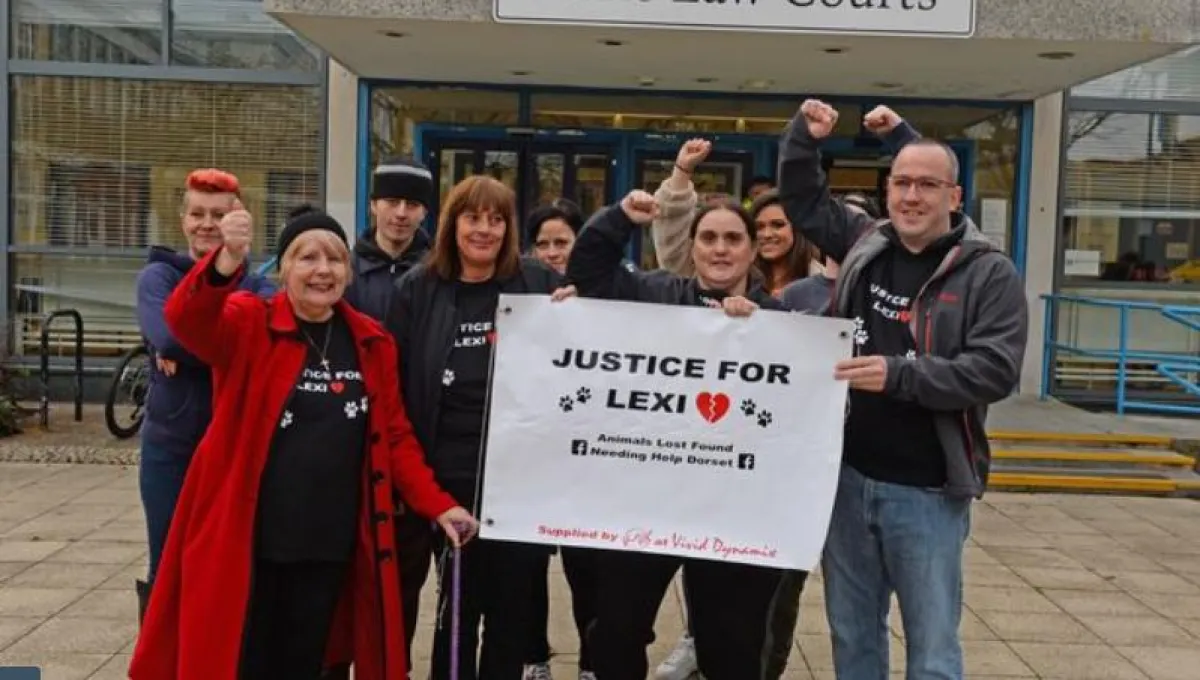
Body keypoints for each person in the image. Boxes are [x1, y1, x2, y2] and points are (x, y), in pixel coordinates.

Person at [128, 203, 478, 680]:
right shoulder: (249, 321)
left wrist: (439, 505)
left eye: (334, 259)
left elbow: (395, 438)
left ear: (348, 273)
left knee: (306, 662)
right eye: (307, 257)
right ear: (284, 269)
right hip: (250, 541)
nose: (322, 270)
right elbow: (187, 322)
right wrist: (226, 261)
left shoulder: (371, 342)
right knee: (241, 661)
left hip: (328, 542)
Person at [779, 99, 1028, 680]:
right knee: (852, 636)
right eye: (901, 183)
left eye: (928, 186)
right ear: (886, 190)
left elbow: (995, 370)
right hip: (847, 480)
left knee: (932, 647)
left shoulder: (989, 272)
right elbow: (804, 201)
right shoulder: (865, 242)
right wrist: (803, 138)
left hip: (929, 490)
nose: (912, 196)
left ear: (955, 197)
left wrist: (899, 375)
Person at [566, 189, 785, 680]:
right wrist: (619, 218)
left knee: (731, 646)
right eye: (708, 238)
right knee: (616, 631)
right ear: (692, 246)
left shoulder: (779, 321)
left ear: (753, 249)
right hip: (649, 502)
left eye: (733, 238)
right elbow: (588, 272)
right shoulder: (654, 295)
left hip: (733, 511)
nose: (720, 249)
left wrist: (761, 334)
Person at [387, 175, 570, 680]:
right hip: (449, 483)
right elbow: (395, 387)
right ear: (453, 224)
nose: (484, 229)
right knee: (457, 611)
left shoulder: (538, 283)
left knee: (513, 613)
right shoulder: (417, 290)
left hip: (521, 482)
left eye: (496, 219)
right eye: (472, 217)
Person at [133, 168, 274, 624]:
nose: (207, 224)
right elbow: (168, 337)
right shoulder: (157, 277)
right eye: (198, 214)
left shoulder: (258, 286)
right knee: (167, 565)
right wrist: (214, 345)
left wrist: (187, 341)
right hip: (171, 450)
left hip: (235, 452)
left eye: (219, 214)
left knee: (232, 569)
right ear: (183, 220)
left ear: (239, 219)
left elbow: (259, 340)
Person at [338, 155, 437, 680]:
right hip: (347, 445)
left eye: (412, 204)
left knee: (400, 586)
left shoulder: (440, 272)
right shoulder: (344, 270)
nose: (401, 213)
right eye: (392, 201)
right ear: (373, 204)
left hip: (410, 448)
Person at [521, 199, 600, 680]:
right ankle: (534, 658)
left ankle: (592, 662)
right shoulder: (520, 296)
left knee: (587, 567)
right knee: (527, 569)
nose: (552, 253)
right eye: (543, 244)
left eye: (562, 242)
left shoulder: (608, 291)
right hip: (532, 455)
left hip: (586, 461)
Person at [780, 193, 881, 316]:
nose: (845, 231)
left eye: (855, 225)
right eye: (839, 223)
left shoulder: (880, 295)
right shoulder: (793, 294)